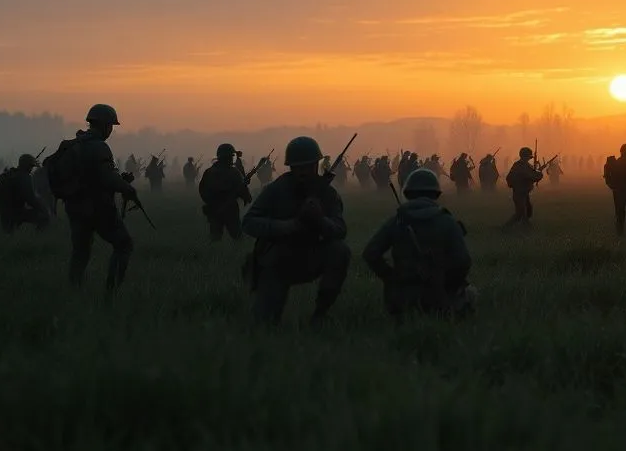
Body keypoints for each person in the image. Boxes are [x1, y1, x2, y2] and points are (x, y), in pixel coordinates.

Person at [241, 136, 350, 325]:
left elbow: (340, 230)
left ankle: (320, 315)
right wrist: (287, 226)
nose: (303, 172)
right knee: (263, 324)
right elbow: (249, 222)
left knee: (340, 251)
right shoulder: (276, 190)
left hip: (311, 255)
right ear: (290, 167)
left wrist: (320, 220)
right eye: (297, 167)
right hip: (276, 261)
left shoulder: (327, 193)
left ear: (316, 165)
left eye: (307, 166)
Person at [46, 104, 139, 292]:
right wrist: (126, 187)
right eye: (111, 126)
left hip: (74, 207)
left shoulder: (74, 145)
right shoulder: (99, 147)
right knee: (124, 244)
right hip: (98, 207)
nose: (111, 130)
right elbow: (106, 177)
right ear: (105, 126)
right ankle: (111, 293)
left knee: (80, 251)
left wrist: (118, 181)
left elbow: (93, 175)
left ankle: (74, 290)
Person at [362, 168, 475, 319]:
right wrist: (448, 284)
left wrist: (391, 277)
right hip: (438, 297)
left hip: (401, 299)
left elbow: (370, 253)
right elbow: (463, 261)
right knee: (470, 293)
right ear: (436, 194)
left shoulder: (397, 220)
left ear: (408, 194)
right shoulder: (447, 221)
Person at [199, 143, 264, 241]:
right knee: (237, 236)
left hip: (214, 208)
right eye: (231, 156)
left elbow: (202, 190)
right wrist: (246, 196)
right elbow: (242, 190)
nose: (231, 159)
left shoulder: (209, 172)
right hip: (230, 209)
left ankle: (214, 255)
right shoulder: (233, 172)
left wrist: (211, 203)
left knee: (215, 236)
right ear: (228, 157)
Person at [0, 153, 50, 233]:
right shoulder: (24, 177)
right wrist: (43, 209)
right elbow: (31, 199)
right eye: (31, 166)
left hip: (3, 212)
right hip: (16, 212)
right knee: (44, 217)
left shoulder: (4, 175)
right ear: (27, 166)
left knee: (8, 235)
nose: (31, 169)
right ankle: (37, 240)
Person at [503, 146, 542, 227]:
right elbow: (532, 177)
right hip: (519, 193)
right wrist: (539, 174)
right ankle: (506, 228)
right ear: (525, 156)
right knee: (520, 213)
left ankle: (525, 226)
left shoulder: (522, 165)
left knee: (528, 211)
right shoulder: (521, 166)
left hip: (524, 192)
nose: (529, 159)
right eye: (528, 157)